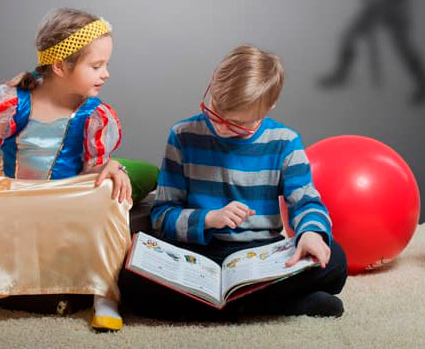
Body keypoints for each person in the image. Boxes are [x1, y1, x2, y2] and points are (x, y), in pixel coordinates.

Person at [0, 8, 132, 340]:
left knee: (111, 198)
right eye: (96, 66)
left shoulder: (93, 113)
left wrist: (111, 167)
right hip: (14, 190)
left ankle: (103, 293)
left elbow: (93, 166)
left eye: (105, 65)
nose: (106, 74)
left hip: (64, 192)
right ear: (60, 66)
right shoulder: (14, 102)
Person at [121, 45, 347, 320]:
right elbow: (162, 215)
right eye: (215, 109)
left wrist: (311, 234)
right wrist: (209, 219)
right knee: (130, 279)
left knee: (335, 261)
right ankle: (274, 305)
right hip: (198, 254)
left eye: (237, 123)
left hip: (260, 256)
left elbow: (307, 203)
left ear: (269, 106)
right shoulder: (182, 135)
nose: (220, 126)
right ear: (212, 86)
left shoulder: (285, 142)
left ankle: (222, 307)